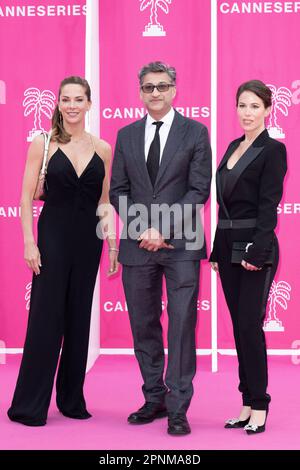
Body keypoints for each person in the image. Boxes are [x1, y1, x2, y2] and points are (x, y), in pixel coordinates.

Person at [8, 76, 118, 426]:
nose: (72, 105)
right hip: (52, 237)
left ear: (89, 104)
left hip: (89, 241)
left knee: (78, 318)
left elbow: (104, 202)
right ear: (58, 103)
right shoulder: (43, 143)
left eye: (78, 99)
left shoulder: (103, 148)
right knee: (45, 318)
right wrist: (29, 242)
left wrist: (112, 243)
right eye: (66, 99)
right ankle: (29, 404)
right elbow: (25, 198)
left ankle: (72, 399)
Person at [110, 61, 212, 435]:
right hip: (138, 247)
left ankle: (178, 406)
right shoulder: (125, 135)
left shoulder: (196, 132)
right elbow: (117, 189)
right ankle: (154, 396)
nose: (156, 93)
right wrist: (142, 230)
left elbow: (198, 189)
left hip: (182, 245)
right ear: (140, 92)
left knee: (182, 325)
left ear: (174, 90)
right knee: (143, 324)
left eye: (163, 86)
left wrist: (162, 228)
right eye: (149, 87)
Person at [210, 80, 287, 435]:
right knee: (240, 331)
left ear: (268, 110)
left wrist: (258, 247)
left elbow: (268, 205)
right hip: (227, 247)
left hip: (257, 246)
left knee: (248, 327)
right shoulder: (231, 147)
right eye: (242, 105)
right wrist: (216, 246)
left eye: (255, 106)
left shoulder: (273, 150)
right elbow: (224, 204)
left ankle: (260, 404)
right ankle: (245, 403)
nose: (247, 112)